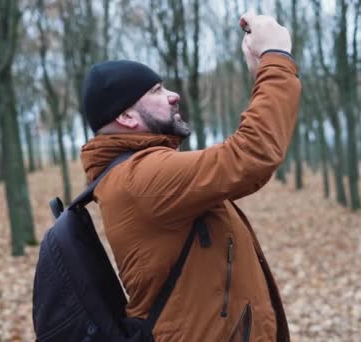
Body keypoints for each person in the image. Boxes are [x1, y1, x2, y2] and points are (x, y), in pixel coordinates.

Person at [79, 12, 300, 342]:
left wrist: (263, 77)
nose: (173, 94)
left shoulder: (140, 170)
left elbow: (242, 167)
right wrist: (277, 59)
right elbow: (251, 155)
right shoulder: (141, 178)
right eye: (156, 90)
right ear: (125, 116)